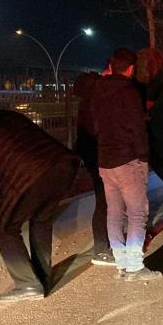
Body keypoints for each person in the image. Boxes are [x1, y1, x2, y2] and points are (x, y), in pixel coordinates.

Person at [0, 108, 80, 302]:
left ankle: (28, 283)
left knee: (3, 227)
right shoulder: (5, 116)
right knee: (41, 220)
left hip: (32, 176)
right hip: (63, 166)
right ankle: (43, 276)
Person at [92, 48, 160, 281]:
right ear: (131, 69)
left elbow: (95, 125)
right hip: (128, 161)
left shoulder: (97, 91)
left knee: (114, 214)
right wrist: (143, 156)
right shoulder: (129, 92)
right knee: (137, 214)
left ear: (111, 66)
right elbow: (137, 128)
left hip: (105, 161)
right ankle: (134, 267)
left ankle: (121, 263)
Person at [73, 70, 113, 267]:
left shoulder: (88, 96)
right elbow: (99, 128)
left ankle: (105, 245)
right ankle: (102, 249)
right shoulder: (97, 97)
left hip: (91, 151)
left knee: (104, 199)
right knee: (104, 200)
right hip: (97, 152)